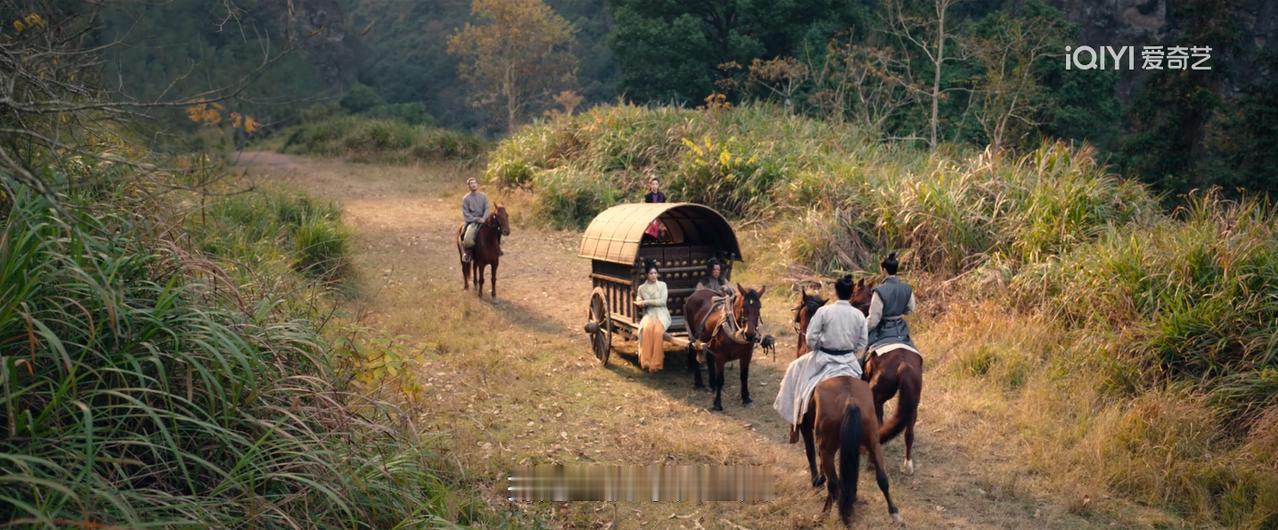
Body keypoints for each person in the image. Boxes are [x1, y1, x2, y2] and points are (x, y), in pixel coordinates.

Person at [773, 275, 867, 443]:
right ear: (852, 292)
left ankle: (794, 421)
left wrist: (817, 347)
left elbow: (810, 338)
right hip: (848, 360)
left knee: (795, 370)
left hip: (823, 356)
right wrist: (852, 355)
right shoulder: (858, 315)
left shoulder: (825, 311)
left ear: (836, 292)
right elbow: (863, 342)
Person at [863, 252, 917, 364]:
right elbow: (910, 308)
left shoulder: (879, 291)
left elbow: (874, 320)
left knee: (860, 356)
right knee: (915, 352)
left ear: (884, 270)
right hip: (901, 330)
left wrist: (862, 330)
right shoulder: (907, 288)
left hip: (883, 331)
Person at [634, 259, 672, 372]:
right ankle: (646, 361)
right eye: (651, 273)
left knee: (657, 332)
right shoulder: (642, 288)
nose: (654, 275)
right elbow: (638, 297)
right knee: (647, 329)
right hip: (649, 313)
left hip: (662, 313)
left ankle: (656, 363)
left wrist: (646, 302)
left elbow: (662, 301)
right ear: (646, 275)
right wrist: (639, 300)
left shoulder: (662, 285)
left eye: (655, 273)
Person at [460, 176, 492, 263]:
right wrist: (476, 219)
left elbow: (487, 208)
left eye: (475, 183)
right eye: (471, 183)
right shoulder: (466, 199)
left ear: (477, 184)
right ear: (469, 186)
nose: (473, 185)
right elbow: (466, 213)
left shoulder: (483, 196)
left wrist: (484, 218)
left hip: (484, 219)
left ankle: (497, 250)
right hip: (472, 222)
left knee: (496, 230)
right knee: (466, 238)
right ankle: (468, 253)